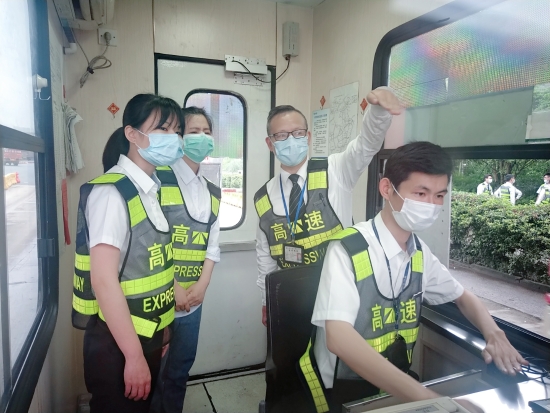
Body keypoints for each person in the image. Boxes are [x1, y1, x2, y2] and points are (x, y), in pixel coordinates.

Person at [299, 142, 528, 413]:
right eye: (421, 193)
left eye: (439, 195)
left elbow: (463, 296)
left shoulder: (419, 252)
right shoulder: (347, 248)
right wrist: (430, 399)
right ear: (387, 189)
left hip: (392, 386)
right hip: (342, 389)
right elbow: (339, 339)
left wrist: (495, 334)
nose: (431, 205)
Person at [72, 94, 184, 413]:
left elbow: (150, 271)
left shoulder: (150, 188)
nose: (173, 138)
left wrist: (161, 334)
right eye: (163, 129)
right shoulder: (112, 193)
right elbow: (104, 281)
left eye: (177, 131)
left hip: (147, 333)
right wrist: (134, 356)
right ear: (132, 134)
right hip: (118, 344)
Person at [255, 87, 402, 326]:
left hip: (340, 290)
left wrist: (378, 111)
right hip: (291, 294)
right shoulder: (264, 197)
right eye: (281, 135)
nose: (291, 140)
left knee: (333, 348)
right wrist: (266, 299)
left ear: (308, 137)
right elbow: (265, 256)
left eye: (297, 133)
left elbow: (365, 145)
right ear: (270, 144)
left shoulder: (336, 170)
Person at [150, 107, 221, 413]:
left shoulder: (212, 191)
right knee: (153, 374)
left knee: (180, 371)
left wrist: (202, 286)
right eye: (194, 131)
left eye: (207, 132)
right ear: (179, 137)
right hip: (160, 297)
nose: (202, 137)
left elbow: (211, 245)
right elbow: (150, 241)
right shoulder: (158, 179)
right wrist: (174, 287)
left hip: (193, 301)